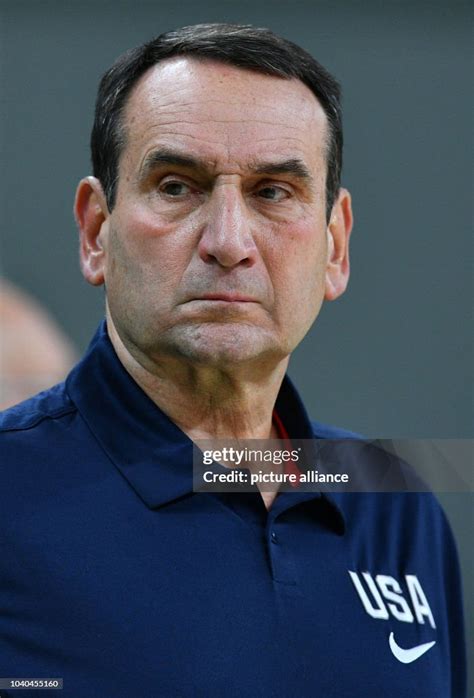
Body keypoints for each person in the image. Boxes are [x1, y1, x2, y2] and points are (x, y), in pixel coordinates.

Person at [0, 23, 466, 698]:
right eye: (176, 186)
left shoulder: (394, 505)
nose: (228, 241)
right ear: (96, 230)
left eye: (273, 191)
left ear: (335, 247)